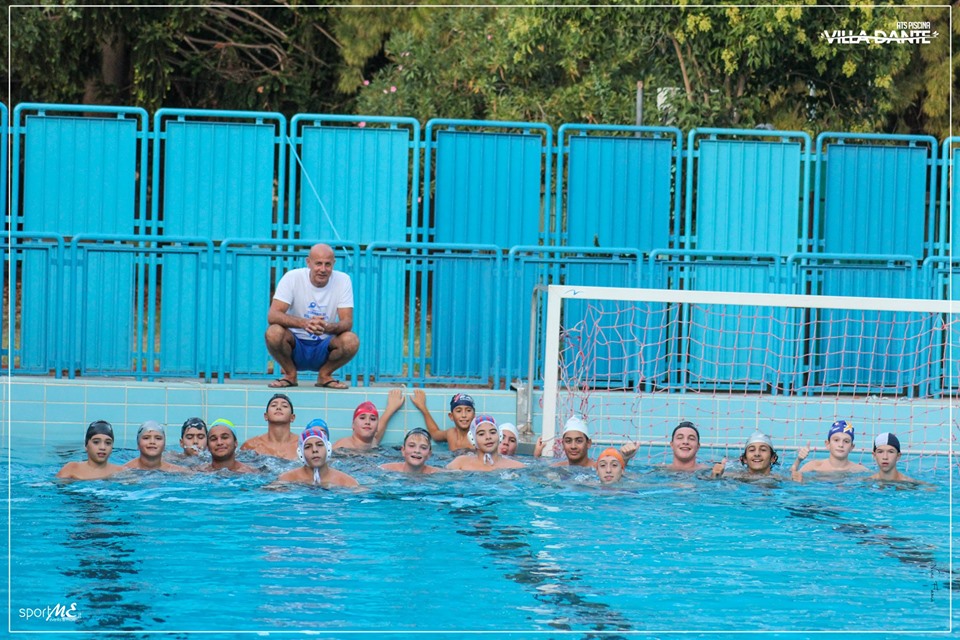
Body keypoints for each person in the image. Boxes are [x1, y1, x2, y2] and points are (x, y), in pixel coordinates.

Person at [264, 243, 360, 389]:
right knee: (273, 332)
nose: (323, 269)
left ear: (333, 264)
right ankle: (290, 374)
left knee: (351, 340)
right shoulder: (292, 277)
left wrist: (327, 327)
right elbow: (273, 315)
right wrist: (305, 324)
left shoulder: (343, 280)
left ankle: (325, 375)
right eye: (318, 264)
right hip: (295, 345)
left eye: (328, 264)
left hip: (324, 346)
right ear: (308, 262)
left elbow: (347, 322)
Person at [533, 416, 638, 467]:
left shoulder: (600, 468)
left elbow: (617, 478)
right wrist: (536, 457)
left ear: (588, 443)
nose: (573, 446)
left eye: (579, 441)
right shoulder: (556, 467)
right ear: (562, 443)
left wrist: (624, 460)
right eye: (568, 441)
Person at [277, 422, 359, 488]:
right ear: (300, 453)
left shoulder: (347, 482)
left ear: (328, 449)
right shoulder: (286, 480)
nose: (315, 450)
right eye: (308, 447)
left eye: (319, 445)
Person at [791, 419, 869, 478]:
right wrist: (798, 461)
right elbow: (791, 478)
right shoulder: (814, 466)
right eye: (836, 440)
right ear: (827, 444)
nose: (841, 445)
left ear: (852, 447)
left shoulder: (861, 471)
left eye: (846, 441)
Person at [333, 389, 405, 451]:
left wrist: (391, 408)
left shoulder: (373, 442)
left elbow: (378, 431)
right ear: (353, 425)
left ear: (377, 427)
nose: (367, 422)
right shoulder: (341, 447)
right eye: (362, 418)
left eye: (372, 419)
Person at [447, 415, 525, 471]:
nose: (488, 437)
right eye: (481, 434)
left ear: (499, 436)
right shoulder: (460, 463)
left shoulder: (517, 467)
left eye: (493, 432)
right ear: (472, 439)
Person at [55, 420, 124, 480]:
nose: (103, 447)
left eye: (108, 443)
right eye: (96, 442)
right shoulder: (71, 469)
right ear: (86, 446)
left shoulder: (120, 472)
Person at [241, 393, 299, 460]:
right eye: (274, 405)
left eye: (284, 406)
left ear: (292, 417)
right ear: (266, 416)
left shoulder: (302, 445)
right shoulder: (251, 446)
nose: (278, 408)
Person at [124, 421, 189, 472]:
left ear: (164, 445)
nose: (152, 442)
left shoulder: (178, 471)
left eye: (158, 438)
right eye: (146, 438)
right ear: (138, 444)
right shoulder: (126, 471)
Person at [713, 431, 779, 478]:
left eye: (763, 450)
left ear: (773, 458)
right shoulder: (732, 476)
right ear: (744, 459)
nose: (757, 454)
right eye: (752, 450)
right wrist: (715, 475)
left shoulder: (780, 479)